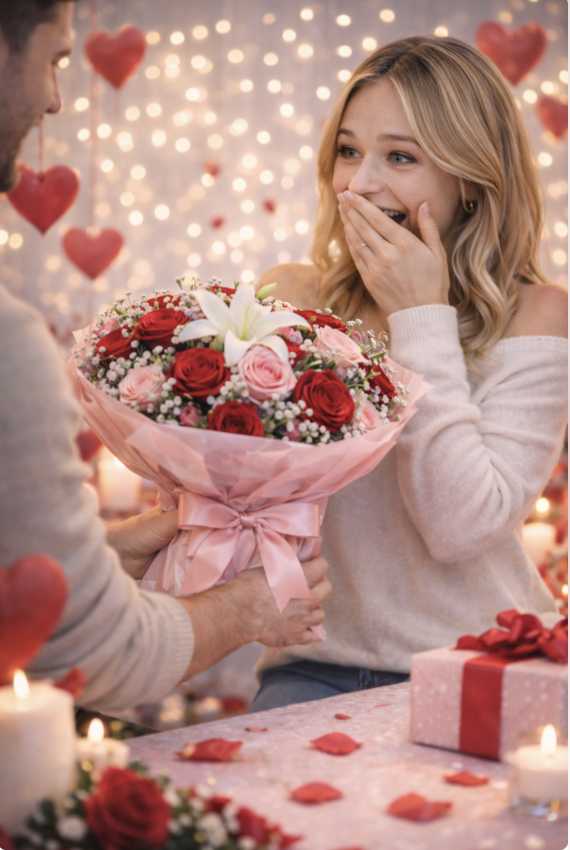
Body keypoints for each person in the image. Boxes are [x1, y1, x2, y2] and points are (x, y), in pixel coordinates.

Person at [0, 0, 330, 712]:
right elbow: (87, 654)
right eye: (56, 58)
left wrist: (104, 557)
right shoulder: (9, 342)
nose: (56, 99)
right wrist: (246, 608)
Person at [250, 35, 568, 711]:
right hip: (313, 668)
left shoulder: (538, 314)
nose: (359, 184)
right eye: (348, 150)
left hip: (484, 665)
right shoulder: (295, 297)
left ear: (471, 182)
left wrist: (420, 316)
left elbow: (461, 526)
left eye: (400, 157)